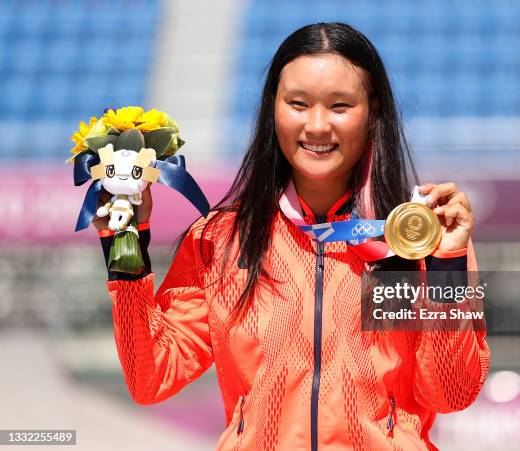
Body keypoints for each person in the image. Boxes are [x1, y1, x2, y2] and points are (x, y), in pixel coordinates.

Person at [94, 22, 489, 451]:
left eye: (340, 106)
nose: (317, 126)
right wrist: (124, 247)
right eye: (298, 104)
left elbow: (452, 394)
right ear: (273, 108)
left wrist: (447, 266)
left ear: (372, 112)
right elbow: (151, 376)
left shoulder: (413, 239)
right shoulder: (222, 240)